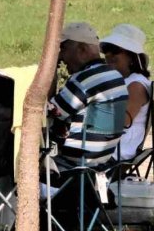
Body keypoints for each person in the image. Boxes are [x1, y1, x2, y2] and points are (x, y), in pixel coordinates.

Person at [47, 22, 128, 172]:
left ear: (82, 49)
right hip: (103, 158)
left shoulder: (84, 80)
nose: (61, 56)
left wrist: (51, 70)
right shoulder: (115, 75)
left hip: (78, 161)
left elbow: (51, 112)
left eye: (63, 49)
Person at [100, 24, 152, 161]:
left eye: (115, 50)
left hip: (117, 151)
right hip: (109, 145)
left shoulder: (136, 85)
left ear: (131, 56)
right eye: (106, 50)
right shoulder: (124, 81)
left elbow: (122, 121)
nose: (108, 55)